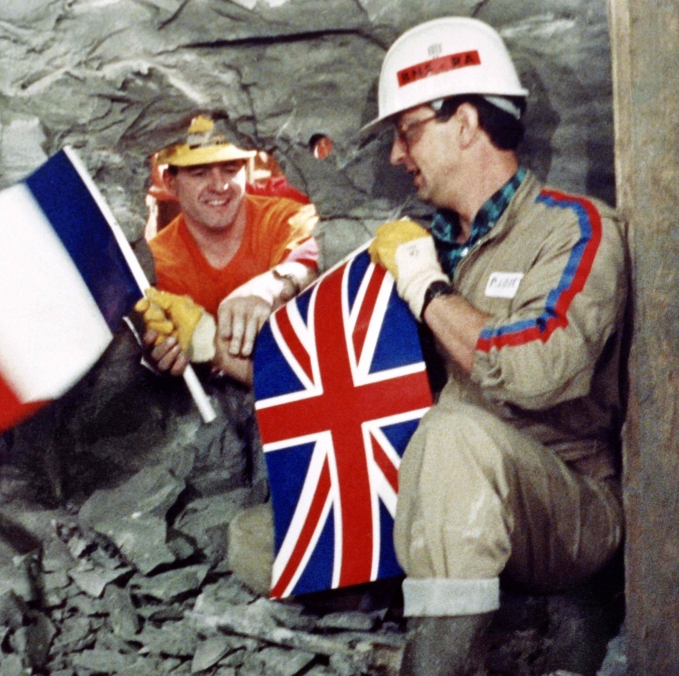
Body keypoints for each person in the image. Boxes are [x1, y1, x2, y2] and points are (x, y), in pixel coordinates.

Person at [362, 17, 626, 675]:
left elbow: (542, 366)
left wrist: (426, 288)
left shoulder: (574, 228)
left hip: (567, 502)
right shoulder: (435, 241)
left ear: (467, 123)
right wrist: (219, 339)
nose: (398, 155)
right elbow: (342, 362)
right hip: (464, 500)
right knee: (263, 544)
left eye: (408, 131)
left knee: (453, 434)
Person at [138, 115, 319, 385]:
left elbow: (316, 259)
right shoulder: (159, 264)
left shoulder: (284, 219)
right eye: (199, 173)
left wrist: (271, 285)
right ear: (170, 182)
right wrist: (164, 357)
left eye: (230, 169)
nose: (219, 185)